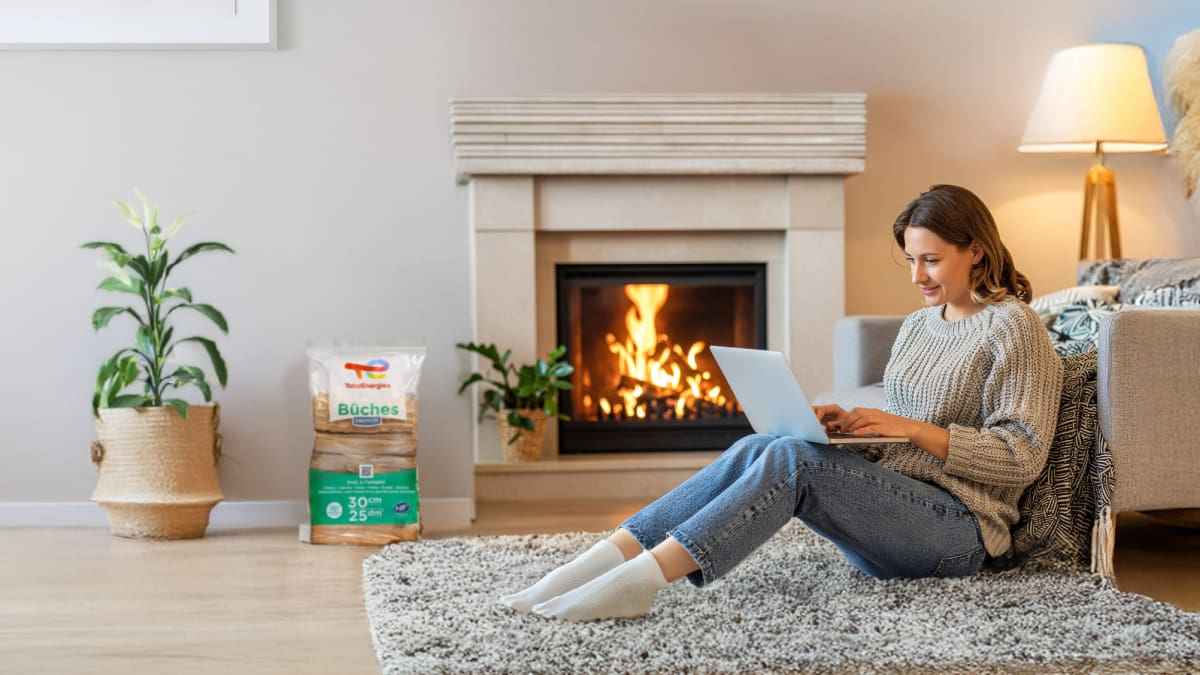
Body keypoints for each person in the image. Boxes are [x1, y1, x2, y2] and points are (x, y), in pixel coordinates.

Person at [502, 184, 1065, 622]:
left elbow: (1022, 455)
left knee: (792, 464)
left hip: (958, 536)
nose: (917, 276)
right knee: (767, 443)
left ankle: (639, 584)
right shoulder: (919, 327)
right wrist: (850, 430)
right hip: (894, 517)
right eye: (911, 260)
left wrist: (909, 428)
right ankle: (593, 564)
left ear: (976, 252)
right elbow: (898, 441)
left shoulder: (1014, 328)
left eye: (932, 261)